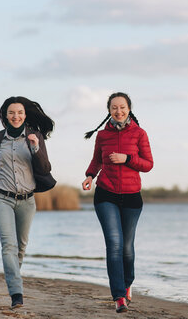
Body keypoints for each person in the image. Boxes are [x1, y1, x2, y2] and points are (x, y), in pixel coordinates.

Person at [82, 92, 154, 313]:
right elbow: (96, 160)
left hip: (132, 197)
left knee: (127, 248)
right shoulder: (103, 136)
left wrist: (128, 159)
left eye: (122, 107)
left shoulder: (140, 134)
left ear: (129, 109)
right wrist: (90, 175)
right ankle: (119, 297)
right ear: (109, 111)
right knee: (114, 244)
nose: (118, 111)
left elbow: (148, 164)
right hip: (106, 194)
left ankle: (127, 283)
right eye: (114, 107)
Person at [0, 96, 55, 309]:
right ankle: (16, 293)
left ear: (25, 115)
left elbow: (44, 169)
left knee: (21, 247)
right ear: (5, 115)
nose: (16, 116)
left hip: (27, 200)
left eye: (20, 113)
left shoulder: (35, 136)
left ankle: (12, 275)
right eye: (12, 113)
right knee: (9, 245)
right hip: (1, 197)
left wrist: (35, 147)